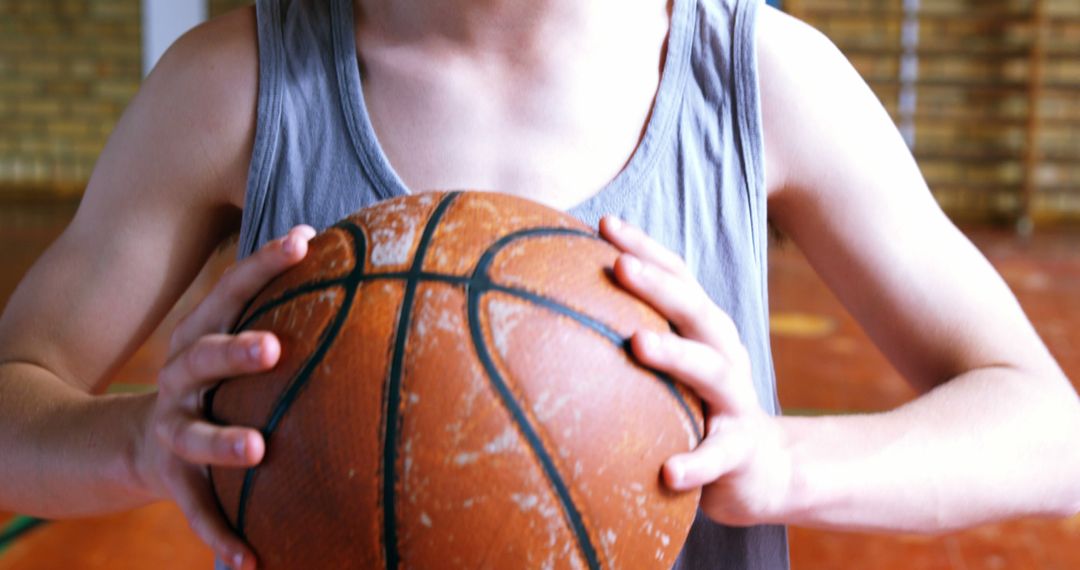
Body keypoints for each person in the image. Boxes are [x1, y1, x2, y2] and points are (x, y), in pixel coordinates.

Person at [1, 0, 1078, 568]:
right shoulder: (233, 87)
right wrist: (136, 444)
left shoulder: (757, 79)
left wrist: (786, 461)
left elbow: (1050, 436)